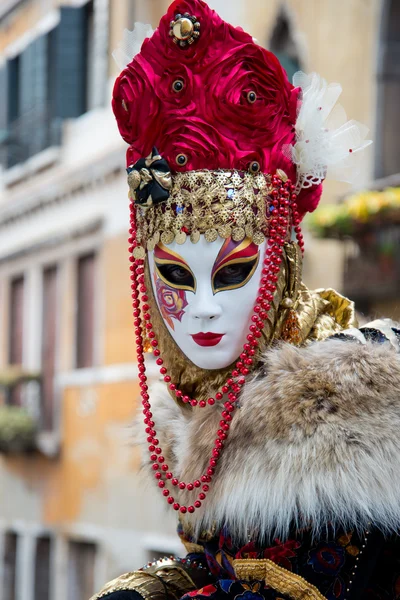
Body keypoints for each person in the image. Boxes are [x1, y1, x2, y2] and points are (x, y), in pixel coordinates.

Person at [91, 1, 400, 599]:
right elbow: (225, 563)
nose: (204, 309)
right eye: (177, 278)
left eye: (232, 274)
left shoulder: (363, 411)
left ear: (280, 267)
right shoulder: (199, 399)